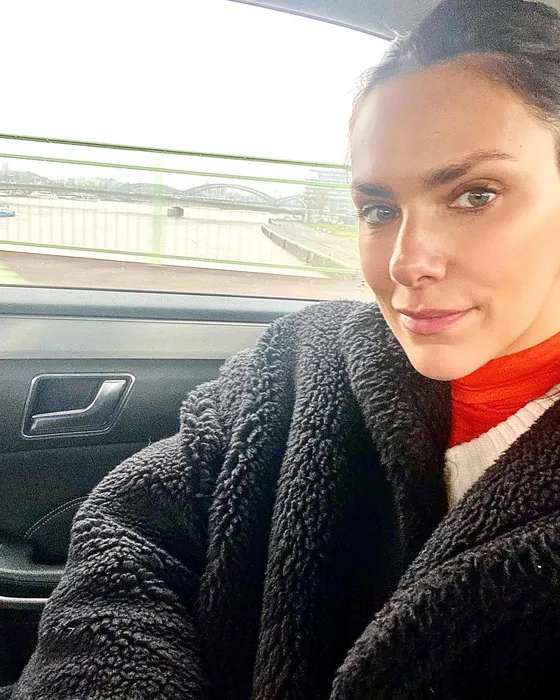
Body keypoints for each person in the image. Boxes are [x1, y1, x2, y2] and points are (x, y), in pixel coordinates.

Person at [4, 0, 560, 697]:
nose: (405, 261)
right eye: (379, 209)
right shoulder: (304, 363)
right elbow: (132, 535)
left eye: (476, 195)